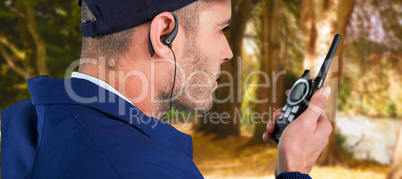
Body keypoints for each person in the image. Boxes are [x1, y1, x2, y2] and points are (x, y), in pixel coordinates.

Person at [1, 0, 332, 178]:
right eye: (220, 29)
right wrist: (296, 171)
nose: (228, 51)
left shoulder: (14, 124)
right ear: (164, 35)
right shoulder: (146, 170)